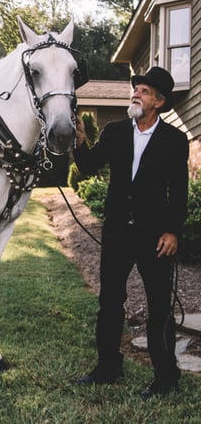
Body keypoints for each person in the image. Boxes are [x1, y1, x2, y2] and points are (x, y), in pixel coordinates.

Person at [73, 66, 189, 399]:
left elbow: (178, 190)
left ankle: (166, 376)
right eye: (136, 88)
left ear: (160, 102)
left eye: (145, 91)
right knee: (110, 302)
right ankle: (108, 367)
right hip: (117, 233)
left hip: (155, 237)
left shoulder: (174, 140)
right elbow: (90, 165)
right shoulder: (114, 132)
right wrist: (80, 142)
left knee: (159, 308)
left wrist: (172, 231)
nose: (136, 93)